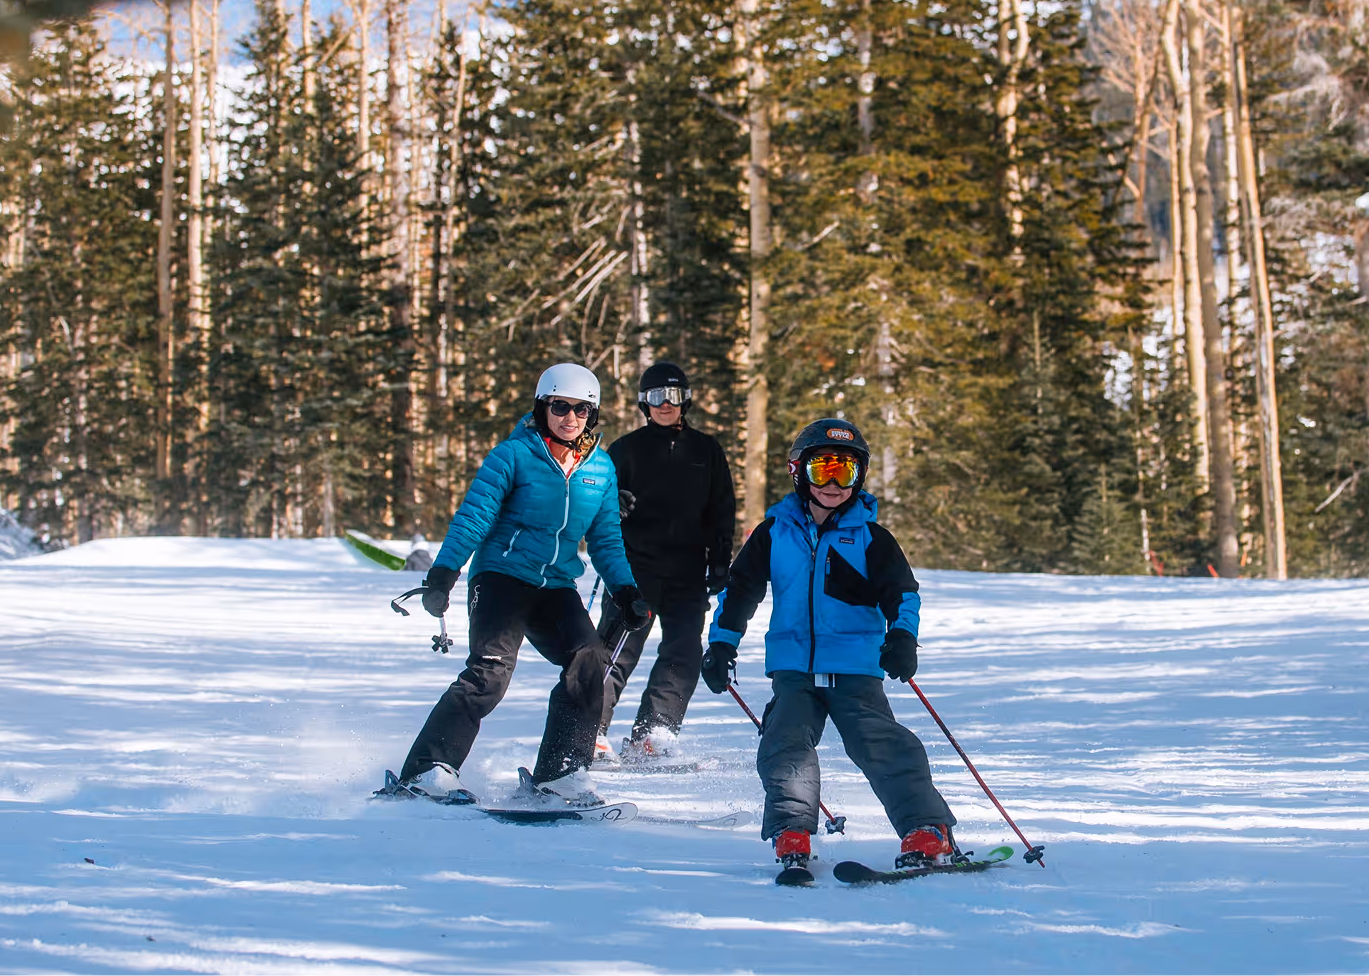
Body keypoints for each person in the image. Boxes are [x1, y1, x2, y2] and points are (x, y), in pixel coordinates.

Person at [385, 362, 650, 807]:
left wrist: (625, 591)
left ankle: (561, 775)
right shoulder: (512, 455)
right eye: (559, 407)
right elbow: (474, 516)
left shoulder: (600, 469)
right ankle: (427, 771)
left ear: (593, 415)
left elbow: (605, 539)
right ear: (542, 406)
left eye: (581, 410)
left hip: (555, 586)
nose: (570, 418)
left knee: (589, 661)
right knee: (489, 672)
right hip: (502, 578)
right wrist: (443, 573)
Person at [701, 417, 959, 872]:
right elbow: (740, 592)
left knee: (880, 744)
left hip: (856, 667)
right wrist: (721, 643)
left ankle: (927, 828)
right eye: (824, 470)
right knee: (784, 743)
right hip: (793, 668)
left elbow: (903, 594)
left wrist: (902, 637)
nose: (836, 483)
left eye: (847, 471)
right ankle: (792, 831)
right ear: (799, 472)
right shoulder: (773, 534)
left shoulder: (870, 539)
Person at [598, 361, 737, 762]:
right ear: (644, 402)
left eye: (673, 396)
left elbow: (721, 509)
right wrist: (613, 506)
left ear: (685, 401)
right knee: (616, 649)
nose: (665, 404)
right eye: (656, 396)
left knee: (684, 652)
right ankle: (590, 729)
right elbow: (596, 502)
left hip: (688, 569)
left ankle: (654, 733)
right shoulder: (625, 449)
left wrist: (720, 562)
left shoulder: (706, 451)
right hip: (634, 567)